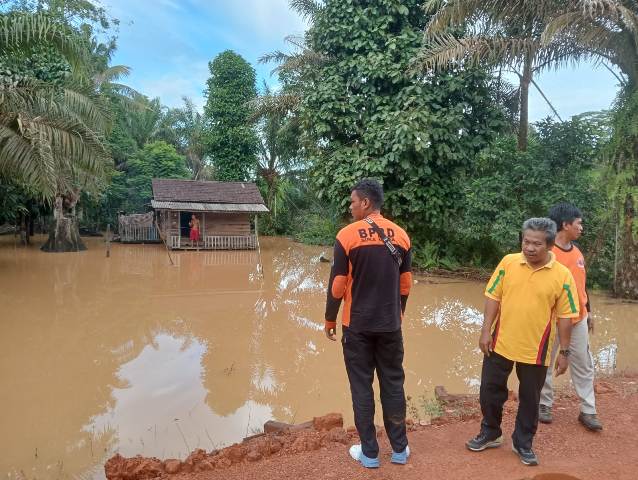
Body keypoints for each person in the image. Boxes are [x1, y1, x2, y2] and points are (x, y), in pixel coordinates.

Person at [466, 218, 579, 466]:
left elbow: (566, 316)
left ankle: (523, 443)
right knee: (489, 391)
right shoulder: (509, 262)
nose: (529, 247)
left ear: (549, 245)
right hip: (500, 342)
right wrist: (485, 330)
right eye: (526, 241)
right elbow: (493, 296)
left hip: (536, 349)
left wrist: (565, 352)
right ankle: (491, 432)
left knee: (530, 399)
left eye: (536, 243)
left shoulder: (562, 275)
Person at [324, 179, 412, 468]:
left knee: (362, 387)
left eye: (352, 201)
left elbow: (338, 285)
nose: (350, 206)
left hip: (357, 326)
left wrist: (329, 318)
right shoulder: (401, 236)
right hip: (390, 326)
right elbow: (405, 283)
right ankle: (400, 449)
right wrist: (398, 315)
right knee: (393, 383)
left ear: (365, 203)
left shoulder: (347, 236)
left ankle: (370, 454)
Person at [539, 203, 602, 431]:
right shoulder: (547, 253)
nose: (581, 227)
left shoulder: (577, 253)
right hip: (552, 319)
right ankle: (544, 404)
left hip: (578, 318)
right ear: (565, 225)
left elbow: (581, 286)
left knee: (583, 364)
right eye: (579, 223)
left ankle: (588, 410)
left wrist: (590, 311)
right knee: (545, 361)